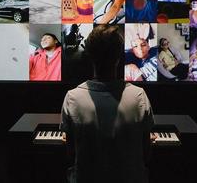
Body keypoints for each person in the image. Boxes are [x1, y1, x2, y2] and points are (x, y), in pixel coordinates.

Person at [60, 25, 155, 183]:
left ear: (89, 55)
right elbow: (146, 154)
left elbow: (71, 154)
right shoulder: (139, 96)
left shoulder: (73, 97)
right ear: (119, 56)